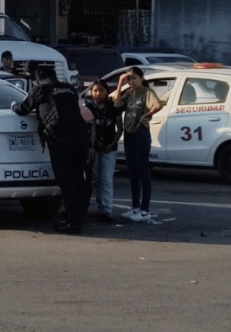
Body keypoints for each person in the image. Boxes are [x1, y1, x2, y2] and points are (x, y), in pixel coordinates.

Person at [12, 62, 90, 234]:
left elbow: (23, 109)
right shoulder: (68, 88)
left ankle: (73, 221)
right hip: (80, 137)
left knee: (66, 181)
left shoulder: (41, 89)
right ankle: (78, 215)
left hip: (60, 139)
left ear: (38, 76)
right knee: (78, 179)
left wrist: (13, 106)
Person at [113, 67, 162, 223]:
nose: (131, 82)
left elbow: (158, 105)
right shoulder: (129, 93)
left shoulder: (147, 92)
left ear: (141, 78)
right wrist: (120, 83)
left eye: (134, 78)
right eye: (129, 79)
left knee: (143, 171)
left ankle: (144, 210)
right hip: (129, 133)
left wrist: (147, 116)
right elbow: (116, 104)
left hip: (140, 133)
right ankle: (135, 206)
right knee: (132, 171)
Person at [84, 79, 122, 222]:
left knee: (106, 178)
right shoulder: (88, 107)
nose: (98, 93)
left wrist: (111, 143)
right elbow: (89, 128)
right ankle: (100, 208)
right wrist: (95, 144)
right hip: (94, 148)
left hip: (110, 147)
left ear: (107, 92)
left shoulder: (113, 107)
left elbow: (120, 128)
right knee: (95, 179)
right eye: (95, 90)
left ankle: (107, 210)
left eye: (101, 90)